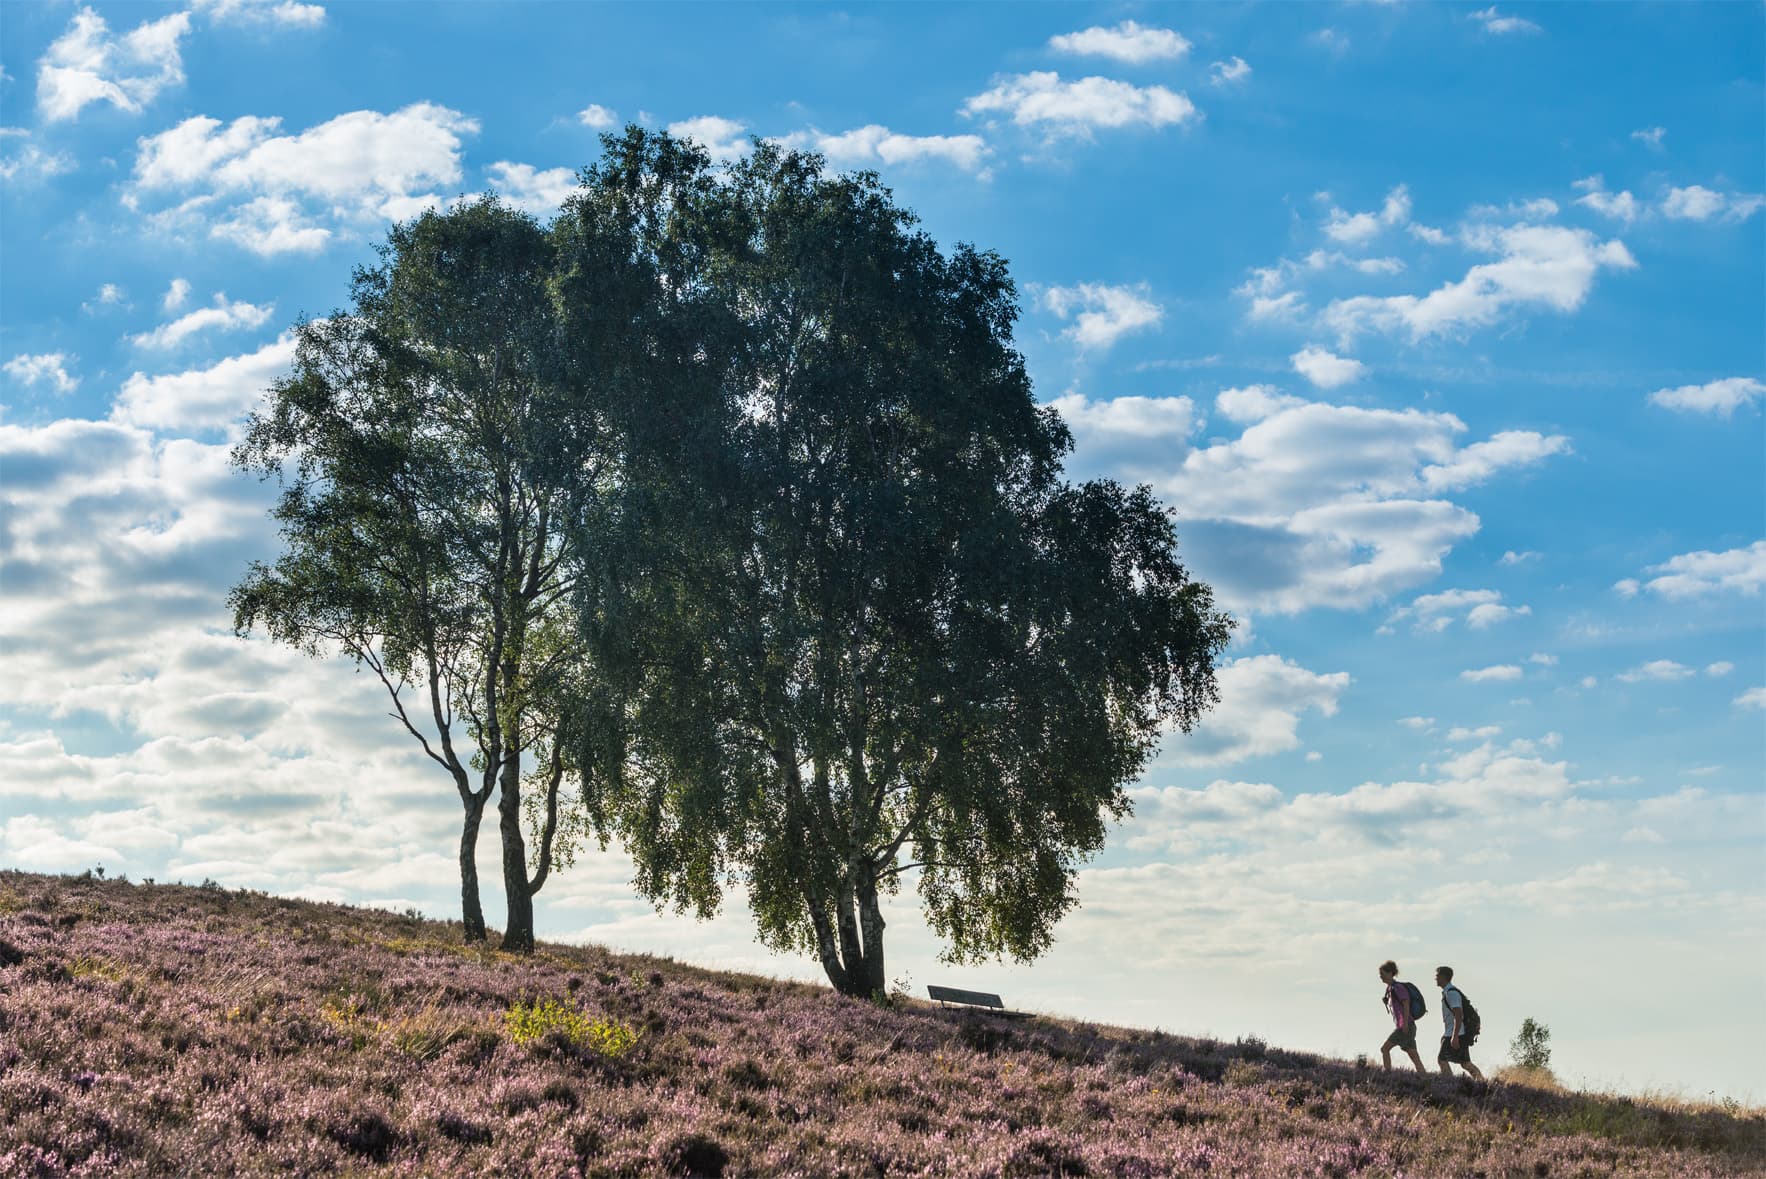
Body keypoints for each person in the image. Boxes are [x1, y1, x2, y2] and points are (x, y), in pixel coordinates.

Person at [1435, 965, 1484, 1080]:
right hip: (1454, 1033)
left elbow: (1459, 1015)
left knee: (1442, 1059)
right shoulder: (1448, 992)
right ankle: (1483, 1083)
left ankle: (1450, 1084)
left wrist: (1454, 1036)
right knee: (1465, 1063)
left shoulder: (1451, 993)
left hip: (1456, 1033)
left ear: (1444, 977)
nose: (1435, 978)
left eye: (1437, 976)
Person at [1378, 960, 1425, 1073]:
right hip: (1409, 1026)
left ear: (1390, 973)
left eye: (1382, 974)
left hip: (1405, 1026)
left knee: (1384, 1049)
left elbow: (1406, 1003)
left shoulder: (1397, 988)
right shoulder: (1389, 989)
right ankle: (1425, 1078)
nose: (1381, 977)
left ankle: (1387, 1074)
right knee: (1414, 1056)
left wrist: (1404, 1024)